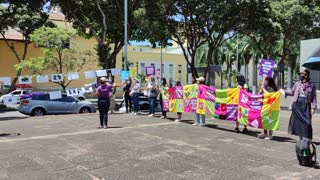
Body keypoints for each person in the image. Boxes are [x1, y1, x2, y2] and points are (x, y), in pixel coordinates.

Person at [285, 69, 317, 142]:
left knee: (308, 122)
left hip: (306, 104)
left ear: (307, 75)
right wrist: (285, 92)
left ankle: (309, 138)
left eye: (303, 74)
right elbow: (292, 92)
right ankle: (301, 139)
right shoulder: (297, 84)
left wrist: (313, 107)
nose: (301, 76)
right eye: (300, 74)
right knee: (298, 122)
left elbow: (314, 97)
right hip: (297, 104)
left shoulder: (311, 85)